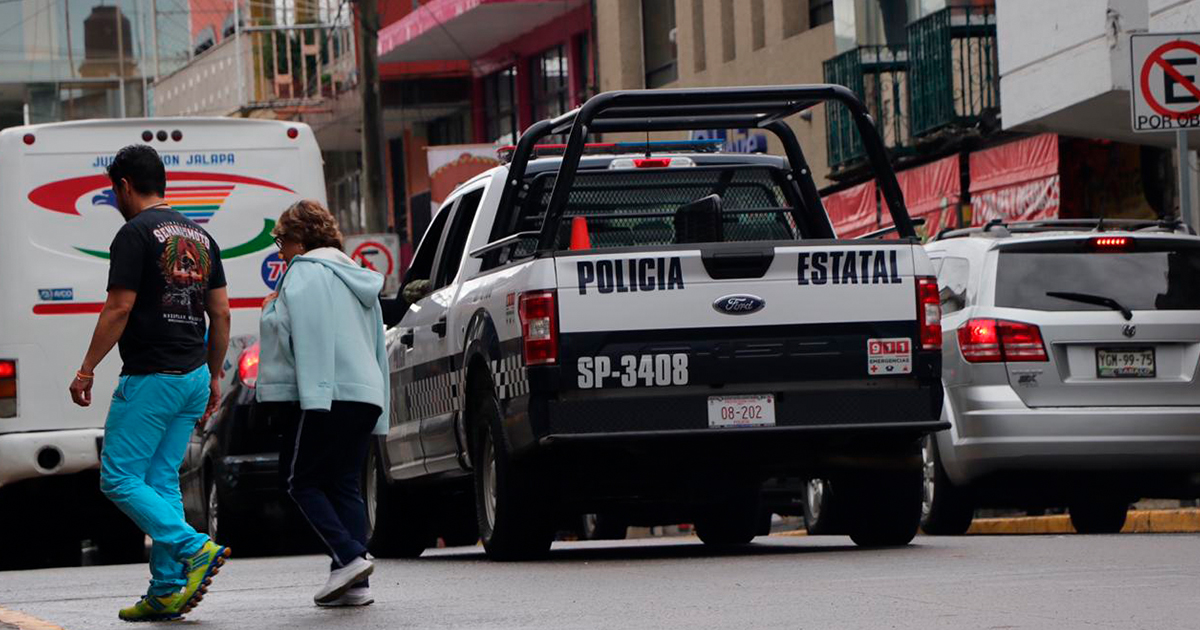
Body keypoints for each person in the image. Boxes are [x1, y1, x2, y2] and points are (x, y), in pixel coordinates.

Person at [68, 144, 232, 622]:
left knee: (118, 476)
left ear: (123, 185)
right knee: (161, 479)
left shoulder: (134, 234)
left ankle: (193, 548)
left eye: (112, 190)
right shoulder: (201, 236)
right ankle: (165, 589)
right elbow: (220, 312)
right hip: (194, 376)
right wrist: (214, 374)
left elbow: (118, 308)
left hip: (151, 377)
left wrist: (86, 369)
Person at [257, 200, 390, 607]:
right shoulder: (356, 275)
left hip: (327, 392)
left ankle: (349, 557)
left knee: (303, 482)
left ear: (300, 240)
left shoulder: (304, 274)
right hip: (365, 393)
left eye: (280, 240)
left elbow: (299, 333)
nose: (279, 251)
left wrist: (270, 311)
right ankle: (353, 582)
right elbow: (375, 341)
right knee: (343, 482)